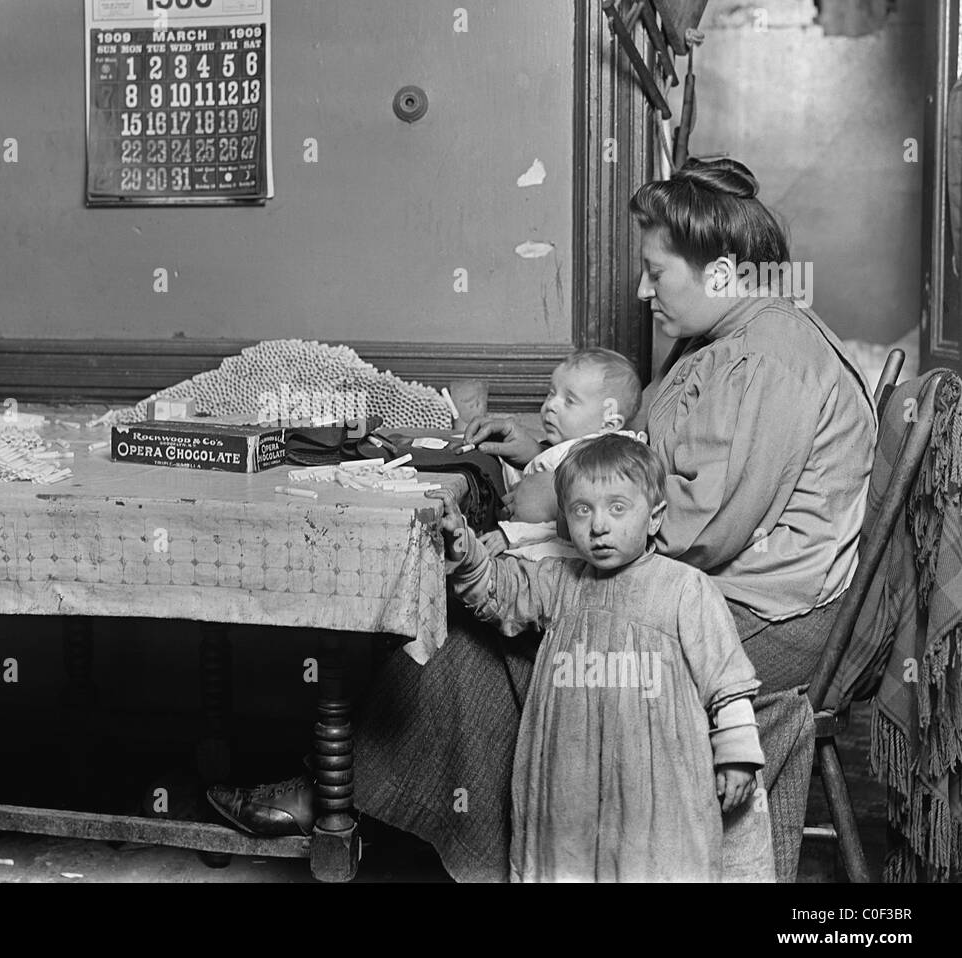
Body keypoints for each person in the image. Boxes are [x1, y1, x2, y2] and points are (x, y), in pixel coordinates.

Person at [208, 157, 875, 883]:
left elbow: (691, 532)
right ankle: (369, 803)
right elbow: (643, 454)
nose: (645, 289)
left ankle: (348, 804)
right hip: (716, 584)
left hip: (764, 617)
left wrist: (554, 503)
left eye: (658, 271)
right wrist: (552, 447)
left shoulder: (765, 361)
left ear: (722, 271)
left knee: (475, 623)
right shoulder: (717, 342)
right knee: (485, 586)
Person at [433, 435, 764, 881]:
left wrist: (737, 755)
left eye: (617, 508)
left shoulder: (685, 589)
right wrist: (466, 551)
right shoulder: (560, 580)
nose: (599, 525)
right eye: (582, 510)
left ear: (654, 518)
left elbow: (726, 679)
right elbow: (499, 592)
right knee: (567, 861)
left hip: (657, 776)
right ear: (566, 520)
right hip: (569, 773)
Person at [483, 347, 645, 562]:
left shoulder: (602, 463)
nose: (551, 405)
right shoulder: (565, 449)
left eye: (570, 400)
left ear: (609, 423)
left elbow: (572, 524)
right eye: (551, 393)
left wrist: (513, 535)